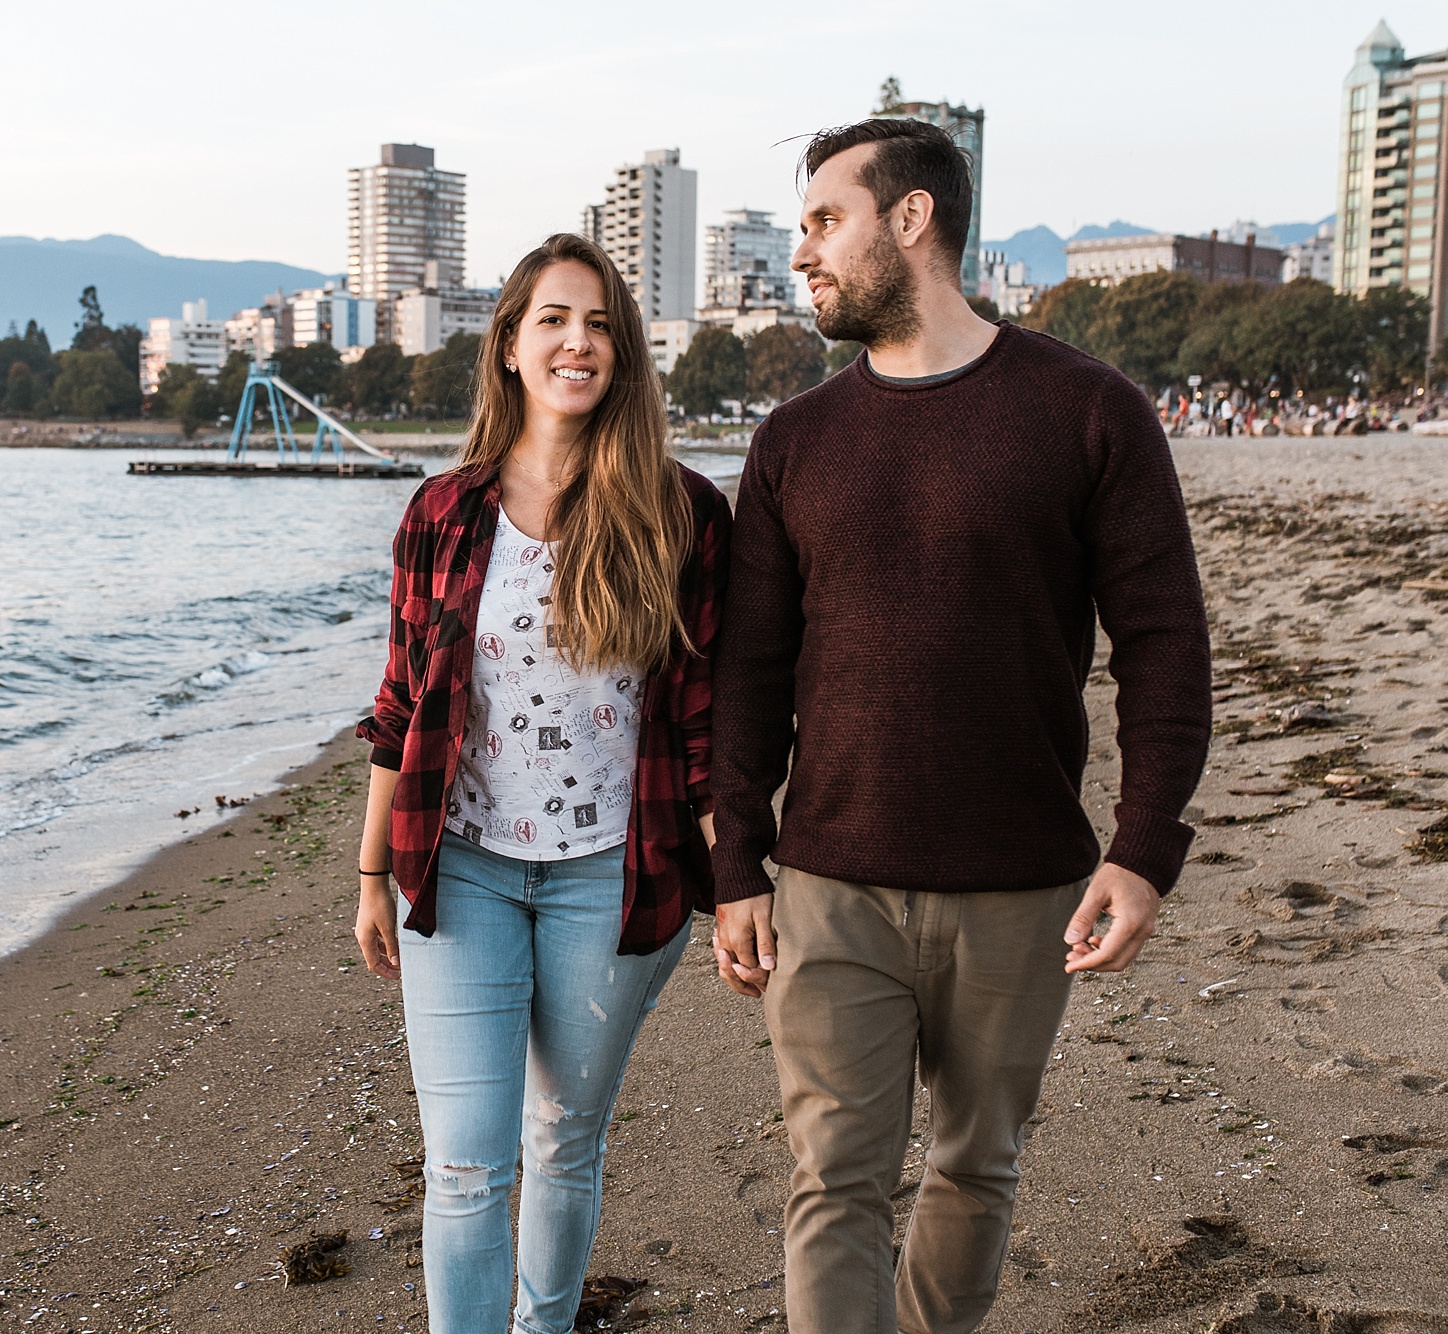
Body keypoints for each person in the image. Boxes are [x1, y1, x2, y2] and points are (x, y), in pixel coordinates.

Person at [708, 118, 1211, 1334]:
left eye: (824, 221)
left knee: (974, 1165)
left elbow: (1160, 641)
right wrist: (734, 861)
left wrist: (1142, 847)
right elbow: (749, 669)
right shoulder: (792, 440)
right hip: (829, 881)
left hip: (1019, 882)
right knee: (833, 1178)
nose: (802, 255)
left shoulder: (1089, 412)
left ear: (912, 218)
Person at [354, 232, 731, 1334]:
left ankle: (543, 1324)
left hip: (611, 878)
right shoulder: (443, 511)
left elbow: (707, 722)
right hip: (458, 866)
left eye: (601, 323)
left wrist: (742, 883)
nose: (578, 341)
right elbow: (396, 705)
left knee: (563, 1135)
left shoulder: (681, 513)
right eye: (555, 319)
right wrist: (372, 869)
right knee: (465, 1162)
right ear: (511, 344)